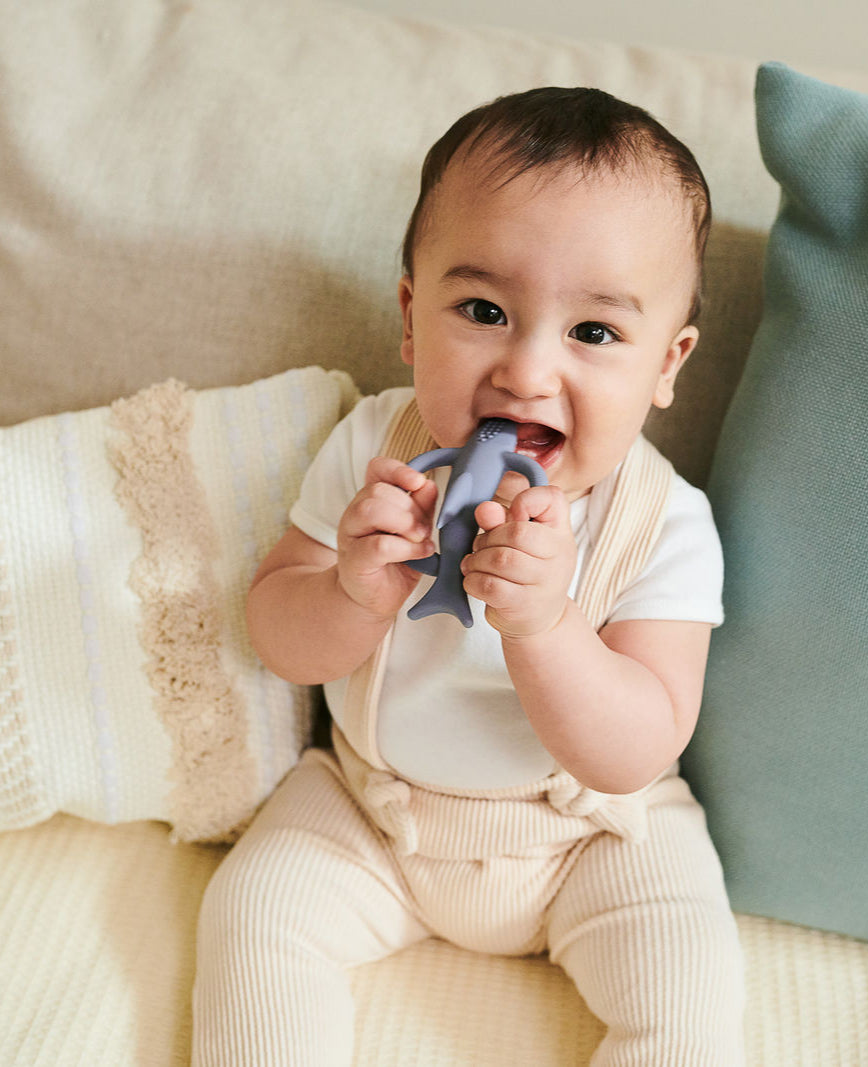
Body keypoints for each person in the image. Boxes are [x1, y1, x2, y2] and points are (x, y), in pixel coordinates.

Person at [193, 86, 745, 1065]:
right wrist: (350, 590)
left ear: (666, 363)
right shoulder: (377, 446)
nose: (527, 370)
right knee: (253, 917)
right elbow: (273, 634)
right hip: (373, 809)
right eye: (484, 310)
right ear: (411, 319)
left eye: (593, 332)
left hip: (589, 837)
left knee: (689, 990)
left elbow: (634, 747)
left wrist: (545, 623)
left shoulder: (665, 522)